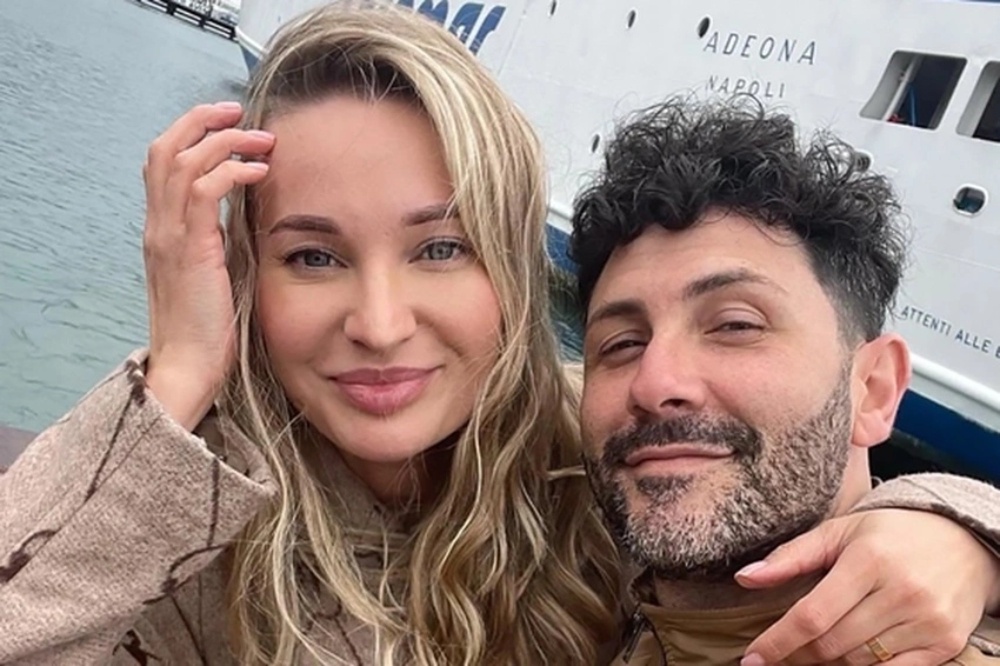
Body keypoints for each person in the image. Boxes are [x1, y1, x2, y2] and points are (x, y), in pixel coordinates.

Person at [1, 5, 1000, 665]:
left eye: (441, 248)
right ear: (246, 276)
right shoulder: (182, 507)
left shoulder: (597, 449)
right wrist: (178, 367)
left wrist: (951, 524)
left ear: (511, 272)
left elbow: (770, 496)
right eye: (312, 256)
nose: (380, 324)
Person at [571, 95, 1000, 665]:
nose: (654, 384)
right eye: (621, 344)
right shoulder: (589, 596)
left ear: (874, 390)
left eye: (736, 325)